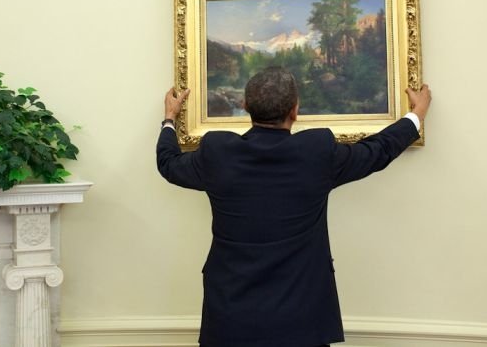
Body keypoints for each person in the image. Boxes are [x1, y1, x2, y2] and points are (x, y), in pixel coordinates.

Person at [156, 67, 432, 347]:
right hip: (302, 323)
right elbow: (378, 150)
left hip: (230, 319)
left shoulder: (217, 152)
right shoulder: (317, 151)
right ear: (295, 110)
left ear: (245, 106)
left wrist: (169, 119)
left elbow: (168, 164)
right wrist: (416, 115)